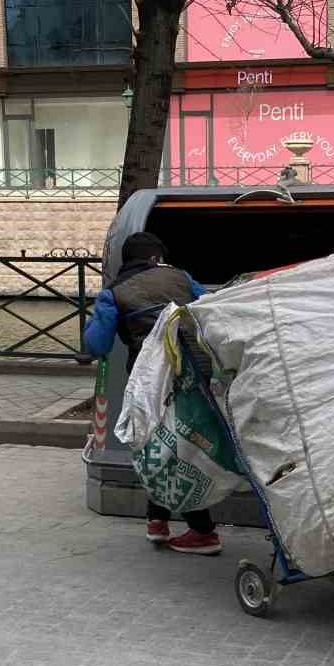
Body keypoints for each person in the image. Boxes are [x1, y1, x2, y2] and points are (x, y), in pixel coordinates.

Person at [83, 231, 220, 556]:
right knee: (173, 445)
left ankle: (203, 531)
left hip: (151, 383)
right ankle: (157, 520)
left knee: (162, 446)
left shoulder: (113, 293)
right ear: (156, 258)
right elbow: (210, 311)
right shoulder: (182, 277)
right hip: (198, 376)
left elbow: (96, 344)